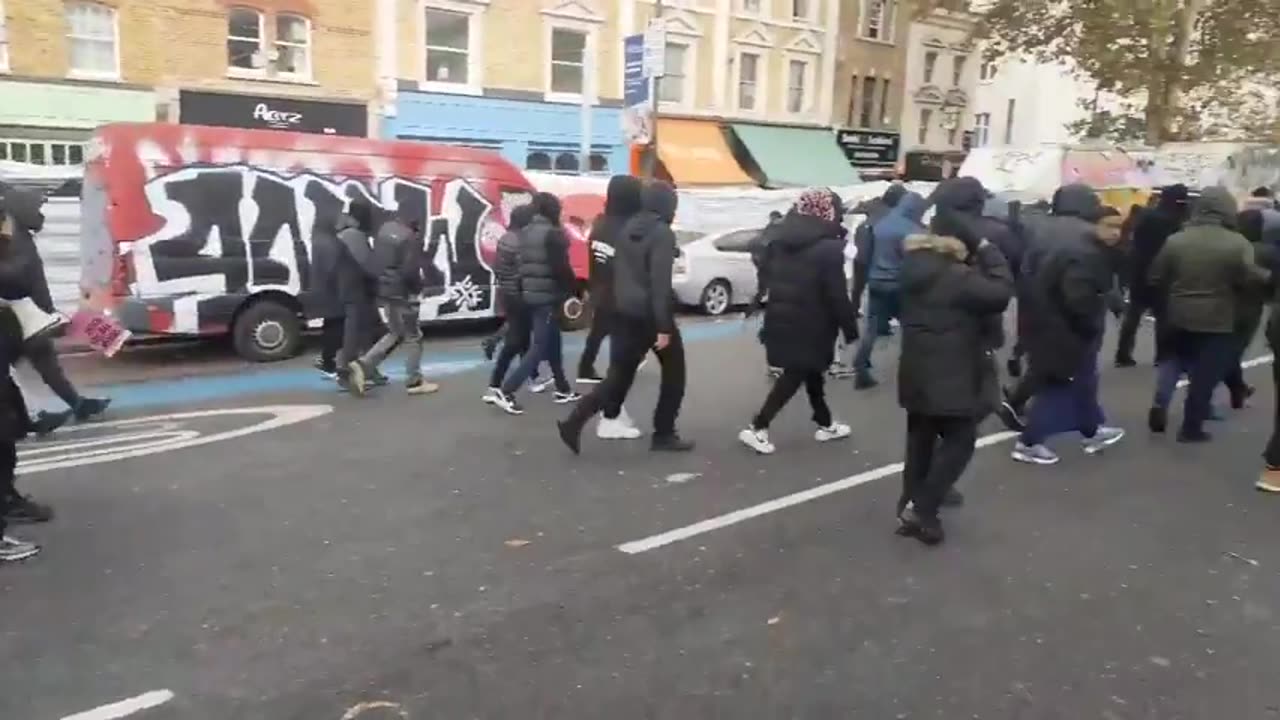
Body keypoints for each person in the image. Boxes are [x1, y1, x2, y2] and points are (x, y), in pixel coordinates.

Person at [895, 206, 1013, 545]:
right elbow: (1001, 292)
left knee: (921, 439)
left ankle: (910, 503)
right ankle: (924, 508)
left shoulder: (912, 267)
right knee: (961, 439)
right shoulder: (957, 277)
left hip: (916, 369)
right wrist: (989, 250)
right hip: (951, 371)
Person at [558, 180, 693, 453]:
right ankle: (664, 433)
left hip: (625, 312)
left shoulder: (627, 228)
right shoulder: (662, 234)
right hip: (652, 316)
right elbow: (659, 284)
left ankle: (575, 421)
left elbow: (622, 272)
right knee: (675, 374)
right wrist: (664, 327)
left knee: (619, 375)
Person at [737, 188, 859, 455]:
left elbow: (768, 278)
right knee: (796, 373)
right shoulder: (829, 249)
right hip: (814, 323)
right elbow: (837, 294)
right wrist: (850, 330)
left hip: (783, 316)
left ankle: (825, 423)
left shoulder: (780, 240)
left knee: (811, 372)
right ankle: (758, 426)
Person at [1010, 184, 1126, 465]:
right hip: (1066, 325)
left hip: (1037, 313)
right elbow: (1079, 294)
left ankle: (1091, 430)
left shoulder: (1039, 229)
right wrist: (1089, 322)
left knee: (1082, 379)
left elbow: (1023, 268)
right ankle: (1029, 442)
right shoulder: (1085, 241)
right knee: (1062, 384)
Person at [1147, 187, 1269, 443]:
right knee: (1204, 375)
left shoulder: (1176, 240)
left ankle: (1160, 402)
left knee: (1173, 361)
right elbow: (1248, 278)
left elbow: (1156, 276)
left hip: (1178, 313)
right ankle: (1191, 427)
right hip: (1218, 317)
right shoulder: (1237, 243)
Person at [0, 188, 109, 421]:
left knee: (43, 363)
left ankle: (68, 407)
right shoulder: (13, 238)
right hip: (18, 315)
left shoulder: (19, 236)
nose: (40, 215)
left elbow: (27, 278)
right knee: (27, 367)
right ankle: (33, 417)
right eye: (36, 209)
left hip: (29, 315)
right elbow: (15, 277)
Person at [491, 192, 580, 414]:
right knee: (539, 347)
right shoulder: (554, 234)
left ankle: (563, 388)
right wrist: (574, 291)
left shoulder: (526, 231)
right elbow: (562, 268)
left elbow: (522, 265)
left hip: (529, 295)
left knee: (553, 341)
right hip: (548, 297)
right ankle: (507, 390)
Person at [348, 215, 437, 396]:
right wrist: (418, 289)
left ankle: (363, 365)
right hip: (403, 294)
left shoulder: (384, 230)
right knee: (413, 337)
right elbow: (410, 271)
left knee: (395, 333)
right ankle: (414, 381)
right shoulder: (409, 238)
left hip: (386, 290)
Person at [852, 190, 928, 389]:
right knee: (911, 326)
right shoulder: (914, 230)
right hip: (900, 285)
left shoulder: (882, 224)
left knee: (872, 328)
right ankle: (914, 369)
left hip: (876, 281)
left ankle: (861, 363)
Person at [578, 176, 644, 384]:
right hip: (621, 295)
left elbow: (593, 257)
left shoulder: (600, 223)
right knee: (622, 335)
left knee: (598, 332)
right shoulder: (631, 228)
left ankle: (585, 368)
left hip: (599, 289)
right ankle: (615, 377)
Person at [1115, 185, 1189, 367]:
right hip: (1163, 272)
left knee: (1133, 314)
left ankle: (1123, 354)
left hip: (1139, 270)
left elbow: (1135, 242)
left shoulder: (1146, 216)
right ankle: (1162, 355)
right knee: (1163, 316)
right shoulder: (1175, 220)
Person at [485, 204, 538, 402]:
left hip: (508, 293)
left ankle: (531, 377)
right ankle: (495, 385)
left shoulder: (506, 237)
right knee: (515, 342)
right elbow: (524, 270)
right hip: (519, 295)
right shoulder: (520, 241)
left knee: (523, 338)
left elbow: (498, 268)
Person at [335, 197, 388, 392]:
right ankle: (346, 373)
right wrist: (383, 275)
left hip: (354, 290)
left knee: (368, 332)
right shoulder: (353, 235)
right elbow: (366, 263)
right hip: (356, 291)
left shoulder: (346, 233)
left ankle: (367, 369)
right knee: (356, 334)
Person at [309, 207, 347, 379]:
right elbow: (334, 268)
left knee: (331, 325)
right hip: (334, 292)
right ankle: (329, 363)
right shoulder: (330, 243)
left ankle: (327, 360)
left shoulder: (319, 239)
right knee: (336, 328)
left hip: (324, 291)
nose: (340, 223)